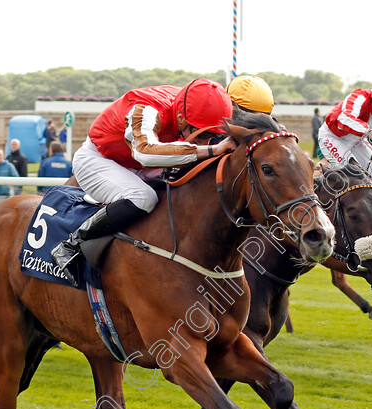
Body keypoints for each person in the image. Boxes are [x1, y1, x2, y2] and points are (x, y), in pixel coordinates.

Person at [51, 78, 236, 286]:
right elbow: (144, 153)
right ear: (181, 119)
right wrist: (212, 150)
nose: (205, 141)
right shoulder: (147, 108)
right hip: (100, 158)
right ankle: (72, 243)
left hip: (139, 163)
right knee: (143, 197)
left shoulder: (198, 105)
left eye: (213, 136)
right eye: (203, 134)